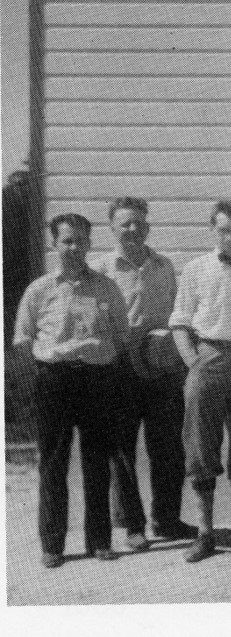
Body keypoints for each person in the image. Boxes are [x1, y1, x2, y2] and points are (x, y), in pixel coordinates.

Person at [13, 213, 129, 568]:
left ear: (89, 243)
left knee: (97, 462)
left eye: (81, 240)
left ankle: (100, 540)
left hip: (96, 381)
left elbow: (121, 335)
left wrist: (99, 353)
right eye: (67, 241)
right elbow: (23, 339)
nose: (75, 248)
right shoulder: (39, 289)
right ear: (55, 244)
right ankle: (52, 544)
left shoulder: (106, 287)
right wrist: (44, 369)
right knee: (53, 463)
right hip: (55, 381)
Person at [92, 196, 192, 551]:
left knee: (168, 446)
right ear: (112, 228)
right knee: (122, 449)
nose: (133, 229)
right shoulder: (101, 270)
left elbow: (177, 313)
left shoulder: (163, 265)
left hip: (161, 365)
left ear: (147, 226)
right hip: (120, 366)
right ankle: (133, 525)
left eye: (139, 223)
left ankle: (167, 518)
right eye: (125, 223)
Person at [170, 200, 231, 562]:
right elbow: (180, 322)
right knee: (200, 445)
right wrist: (193, 362)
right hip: (207, 358)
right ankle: (205, 533)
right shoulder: (195, 269)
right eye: (223, 230)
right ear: (212, 230)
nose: (230, 238)